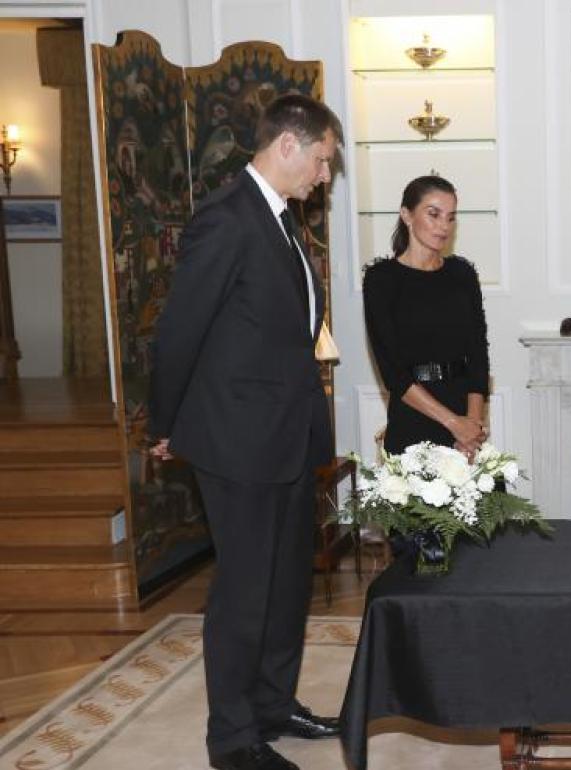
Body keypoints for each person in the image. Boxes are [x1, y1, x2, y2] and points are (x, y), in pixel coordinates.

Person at [148, 94, 342, 770]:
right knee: (245, 590)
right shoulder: (226, 221)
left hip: (286, 433)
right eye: (322, 161)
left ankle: (271, 703)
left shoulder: (283, 220)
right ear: (288, 145)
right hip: (236, 437)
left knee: (288, 583)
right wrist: (164, 423)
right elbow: (179, 333)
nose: (324, 176)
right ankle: (231, 739)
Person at [363, 175, 489, 459]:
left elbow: (478, 355)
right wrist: (453, 423)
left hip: (466, 419)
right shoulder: (381, 280)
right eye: (433, 214)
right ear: (406, 215)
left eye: (451, 217)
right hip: (413, 416)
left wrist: (472, 426)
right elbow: (393, 373)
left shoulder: (462, 274)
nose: (444, 226)